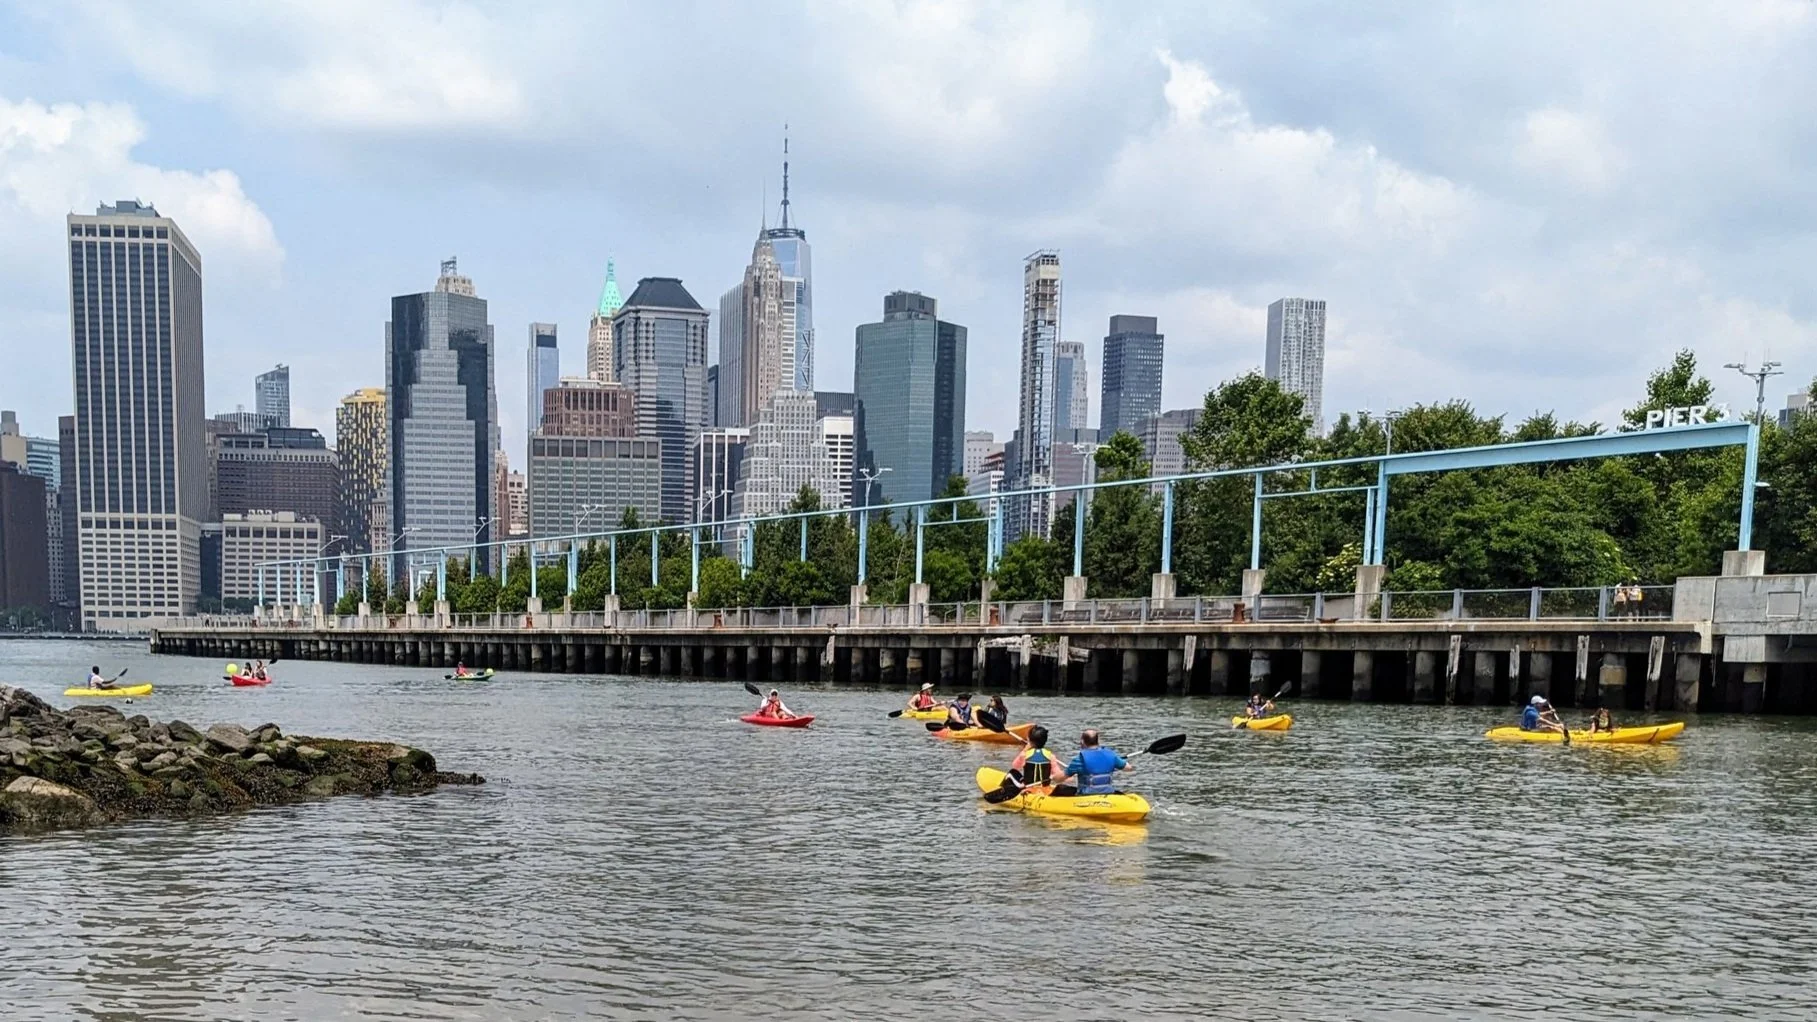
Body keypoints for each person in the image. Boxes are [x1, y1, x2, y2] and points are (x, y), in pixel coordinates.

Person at [1052, 729, 1132, 797]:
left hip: (1087, 796)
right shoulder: (1111, 755)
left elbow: (1059, 779)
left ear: (1082, 742)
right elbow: (1128, 768)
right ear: (1098, 741)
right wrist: (1114, 762)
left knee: (1060, 788)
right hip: (1108, 793)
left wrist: (1053, 777)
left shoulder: (1079, 760)